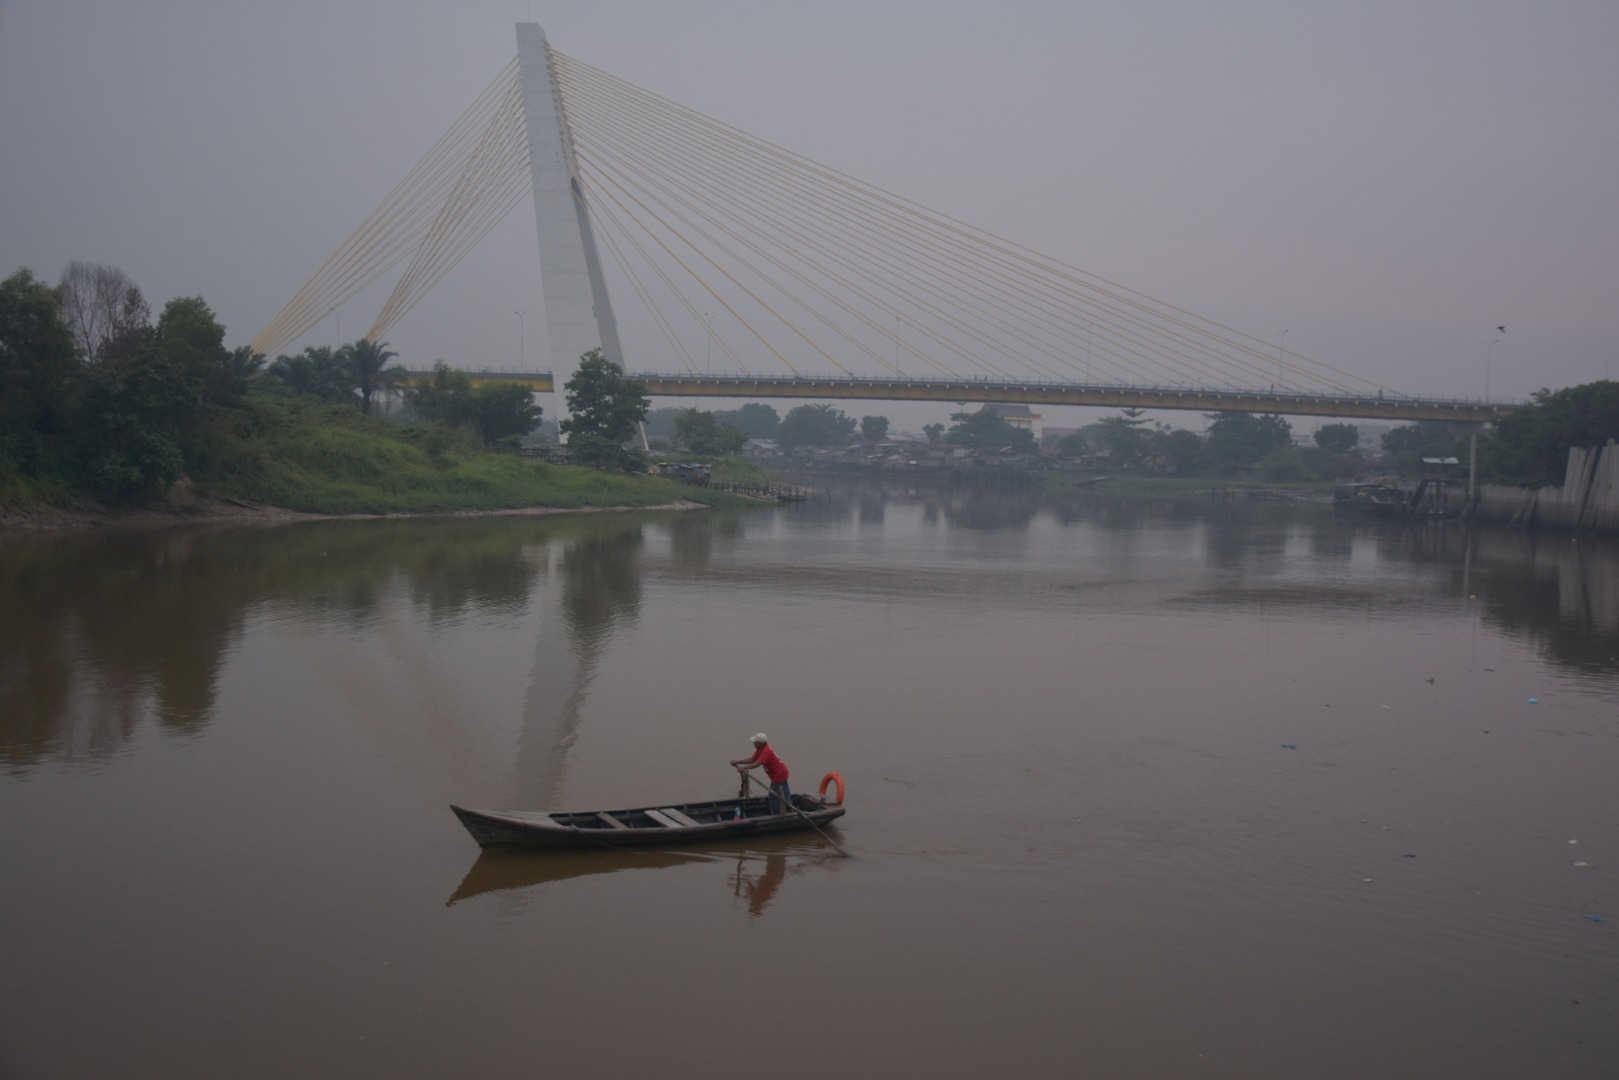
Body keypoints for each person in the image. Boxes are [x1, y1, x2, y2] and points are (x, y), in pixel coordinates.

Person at [730, 733, 792, 816]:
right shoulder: (760, 749)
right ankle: (789, 809)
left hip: (779, 775)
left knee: (773, 797)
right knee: (784, 792)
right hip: (781, 772)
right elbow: (752, 759)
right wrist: (738, 762)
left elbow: (757, 764)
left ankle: (778, 814)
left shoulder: (766, 751)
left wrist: (743, 768)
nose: (753, 743)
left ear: (760, 743)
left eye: (755, 742)